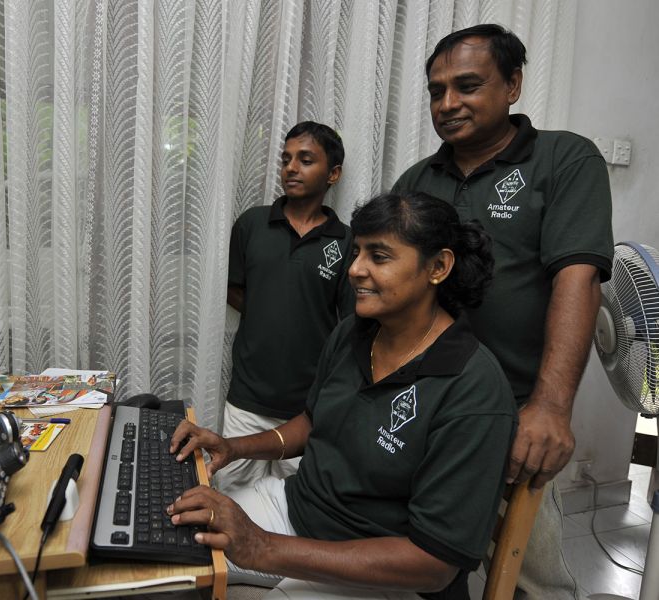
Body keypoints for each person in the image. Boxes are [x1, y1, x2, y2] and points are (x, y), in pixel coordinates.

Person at [168, 192, 517, 600]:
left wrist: (263, 547)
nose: (354, 270)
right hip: (297, 509)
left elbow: (433, 566)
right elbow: (313, 422)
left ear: (438, 267)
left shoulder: (474, 390)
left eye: (379, 257)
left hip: (377, 567)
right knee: (165, 554)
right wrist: (234, 446)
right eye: (356, 253)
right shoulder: (354, 333)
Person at [392, 24, 614, 599]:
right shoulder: (418, 180)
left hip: (516, 410)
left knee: (529, 577)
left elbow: (579, 276)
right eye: (436, 91)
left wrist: (550, 406)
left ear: (513, 84)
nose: (448, 104)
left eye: (467, 86)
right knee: (429, 563)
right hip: (425, 405)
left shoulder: (564, 157)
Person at [221, 121, 355, 492]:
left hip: (307, 411)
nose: (291, 168)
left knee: (294, 511)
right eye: (286, 159)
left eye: (306, 159)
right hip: (247, 402)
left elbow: (350, 320)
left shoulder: (346, 241)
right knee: (229, 500)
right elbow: (235, 290)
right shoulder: (252, 224)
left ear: (333, 174)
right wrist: (271, 311)